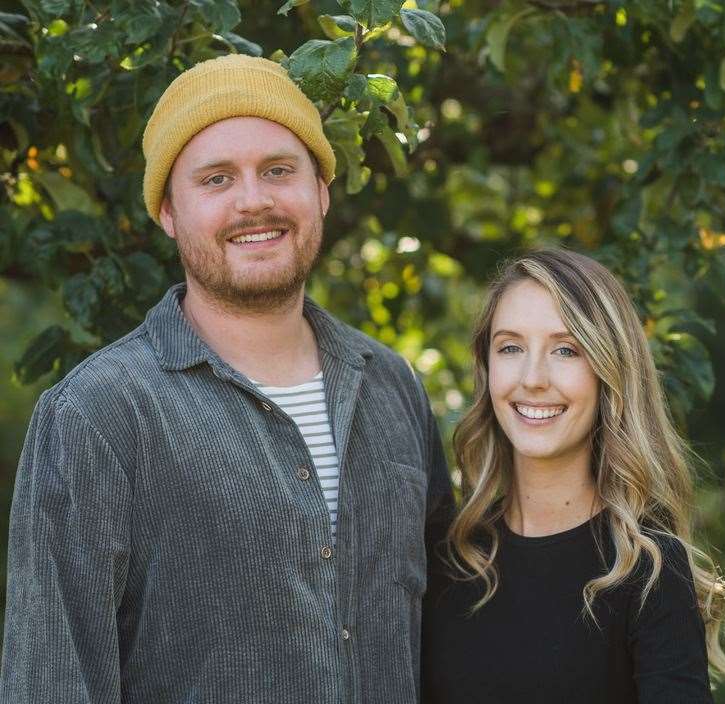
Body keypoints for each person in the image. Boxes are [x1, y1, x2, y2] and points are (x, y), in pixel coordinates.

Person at [1, 54, 453, 704]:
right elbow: (51, 680)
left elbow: (447, 644)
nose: (254, 200)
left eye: (278, 170)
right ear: (168, 212)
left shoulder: (392, 389)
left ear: (321, 189)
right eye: (216, 179)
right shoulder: (97, 415)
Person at [421, 248, 725, 703]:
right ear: (487, 368)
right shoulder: (446, 562)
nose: (533, 377)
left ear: (608, 374)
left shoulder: (647, 572)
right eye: (510, 347)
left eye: (566, 350)